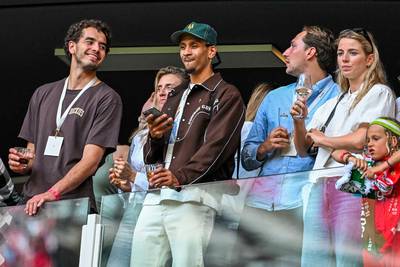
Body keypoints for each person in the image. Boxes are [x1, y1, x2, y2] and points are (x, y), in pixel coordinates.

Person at [130, 21, 245, 266]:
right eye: (183, 46)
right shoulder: (175, 94)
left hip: (195, 196)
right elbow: (152, 157)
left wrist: (179, 176)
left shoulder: (226, 93)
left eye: (194, 45)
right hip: (156, 195)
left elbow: (218, 148)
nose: (186, 52)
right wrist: (155, 137)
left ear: (211, 51)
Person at [291, 28, 395, 266]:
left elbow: (363, 139)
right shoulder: (334, 101)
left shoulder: (380, 92)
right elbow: (302, 148)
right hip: (320, 182)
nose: (344, 59)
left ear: (369, 59)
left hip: (353, 181)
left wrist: (323, 140)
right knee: (313, 260)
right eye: (340, 53)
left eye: (352, 53)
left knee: (347, 259)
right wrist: (299, 121)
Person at [239, 26, 339, 265]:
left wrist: (308, 137)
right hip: (259, 203)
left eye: (293, 45)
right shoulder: (274, 98)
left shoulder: (339, 97)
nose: (285, 52)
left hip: (304, 204)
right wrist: (264, 147)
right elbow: (246, 156)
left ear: (311, 52)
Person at [8, 19, 123, 215]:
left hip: (74, 207)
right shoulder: (42, 93)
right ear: (72, 46)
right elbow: (32, 155)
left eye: (102, 46)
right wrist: (22, 164)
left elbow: (90, 162)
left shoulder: (107, 98)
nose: (96, 48)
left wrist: (52, 193)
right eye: (90, 42)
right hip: (32, 202)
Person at [103, 66, 188, 267]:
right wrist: (125, 183)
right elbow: (138, 179)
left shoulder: (185, 132)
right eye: (159, 87)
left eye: (169, 87)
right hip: (134, 209)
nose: (162, 92)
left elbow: (169, 180)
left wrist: (133, 176)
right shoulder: (141, 136)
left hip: (165, 209)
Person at [332, 117, 400, 267]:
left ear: (393, 141)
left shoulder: (396, 164)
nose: (369, 144)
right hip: (372, 242)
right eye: (368, 140)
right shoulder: (367, 164)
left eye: (375, 138)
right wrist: (351, 158)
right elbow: (335, 152)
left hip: (396, 238)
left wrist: (381, 168)